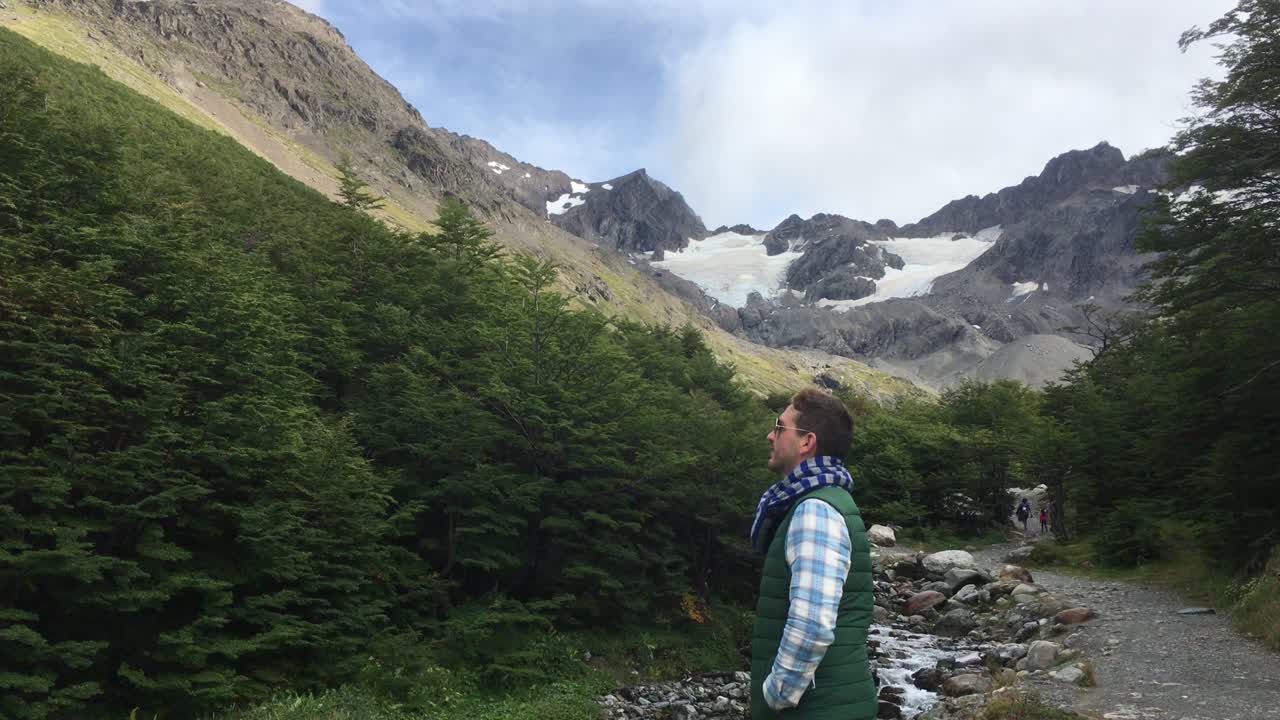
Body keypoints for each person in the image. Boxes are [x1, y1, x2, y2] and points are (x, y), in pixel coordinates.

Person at [750, 388, 876, 720]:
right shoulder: (823, 500)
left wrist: (776, 694)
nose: (770, 435)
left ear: (807, 442)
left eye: (779, 427)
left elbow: (812, 625)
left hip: (815, 710)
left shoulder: (815, 510)